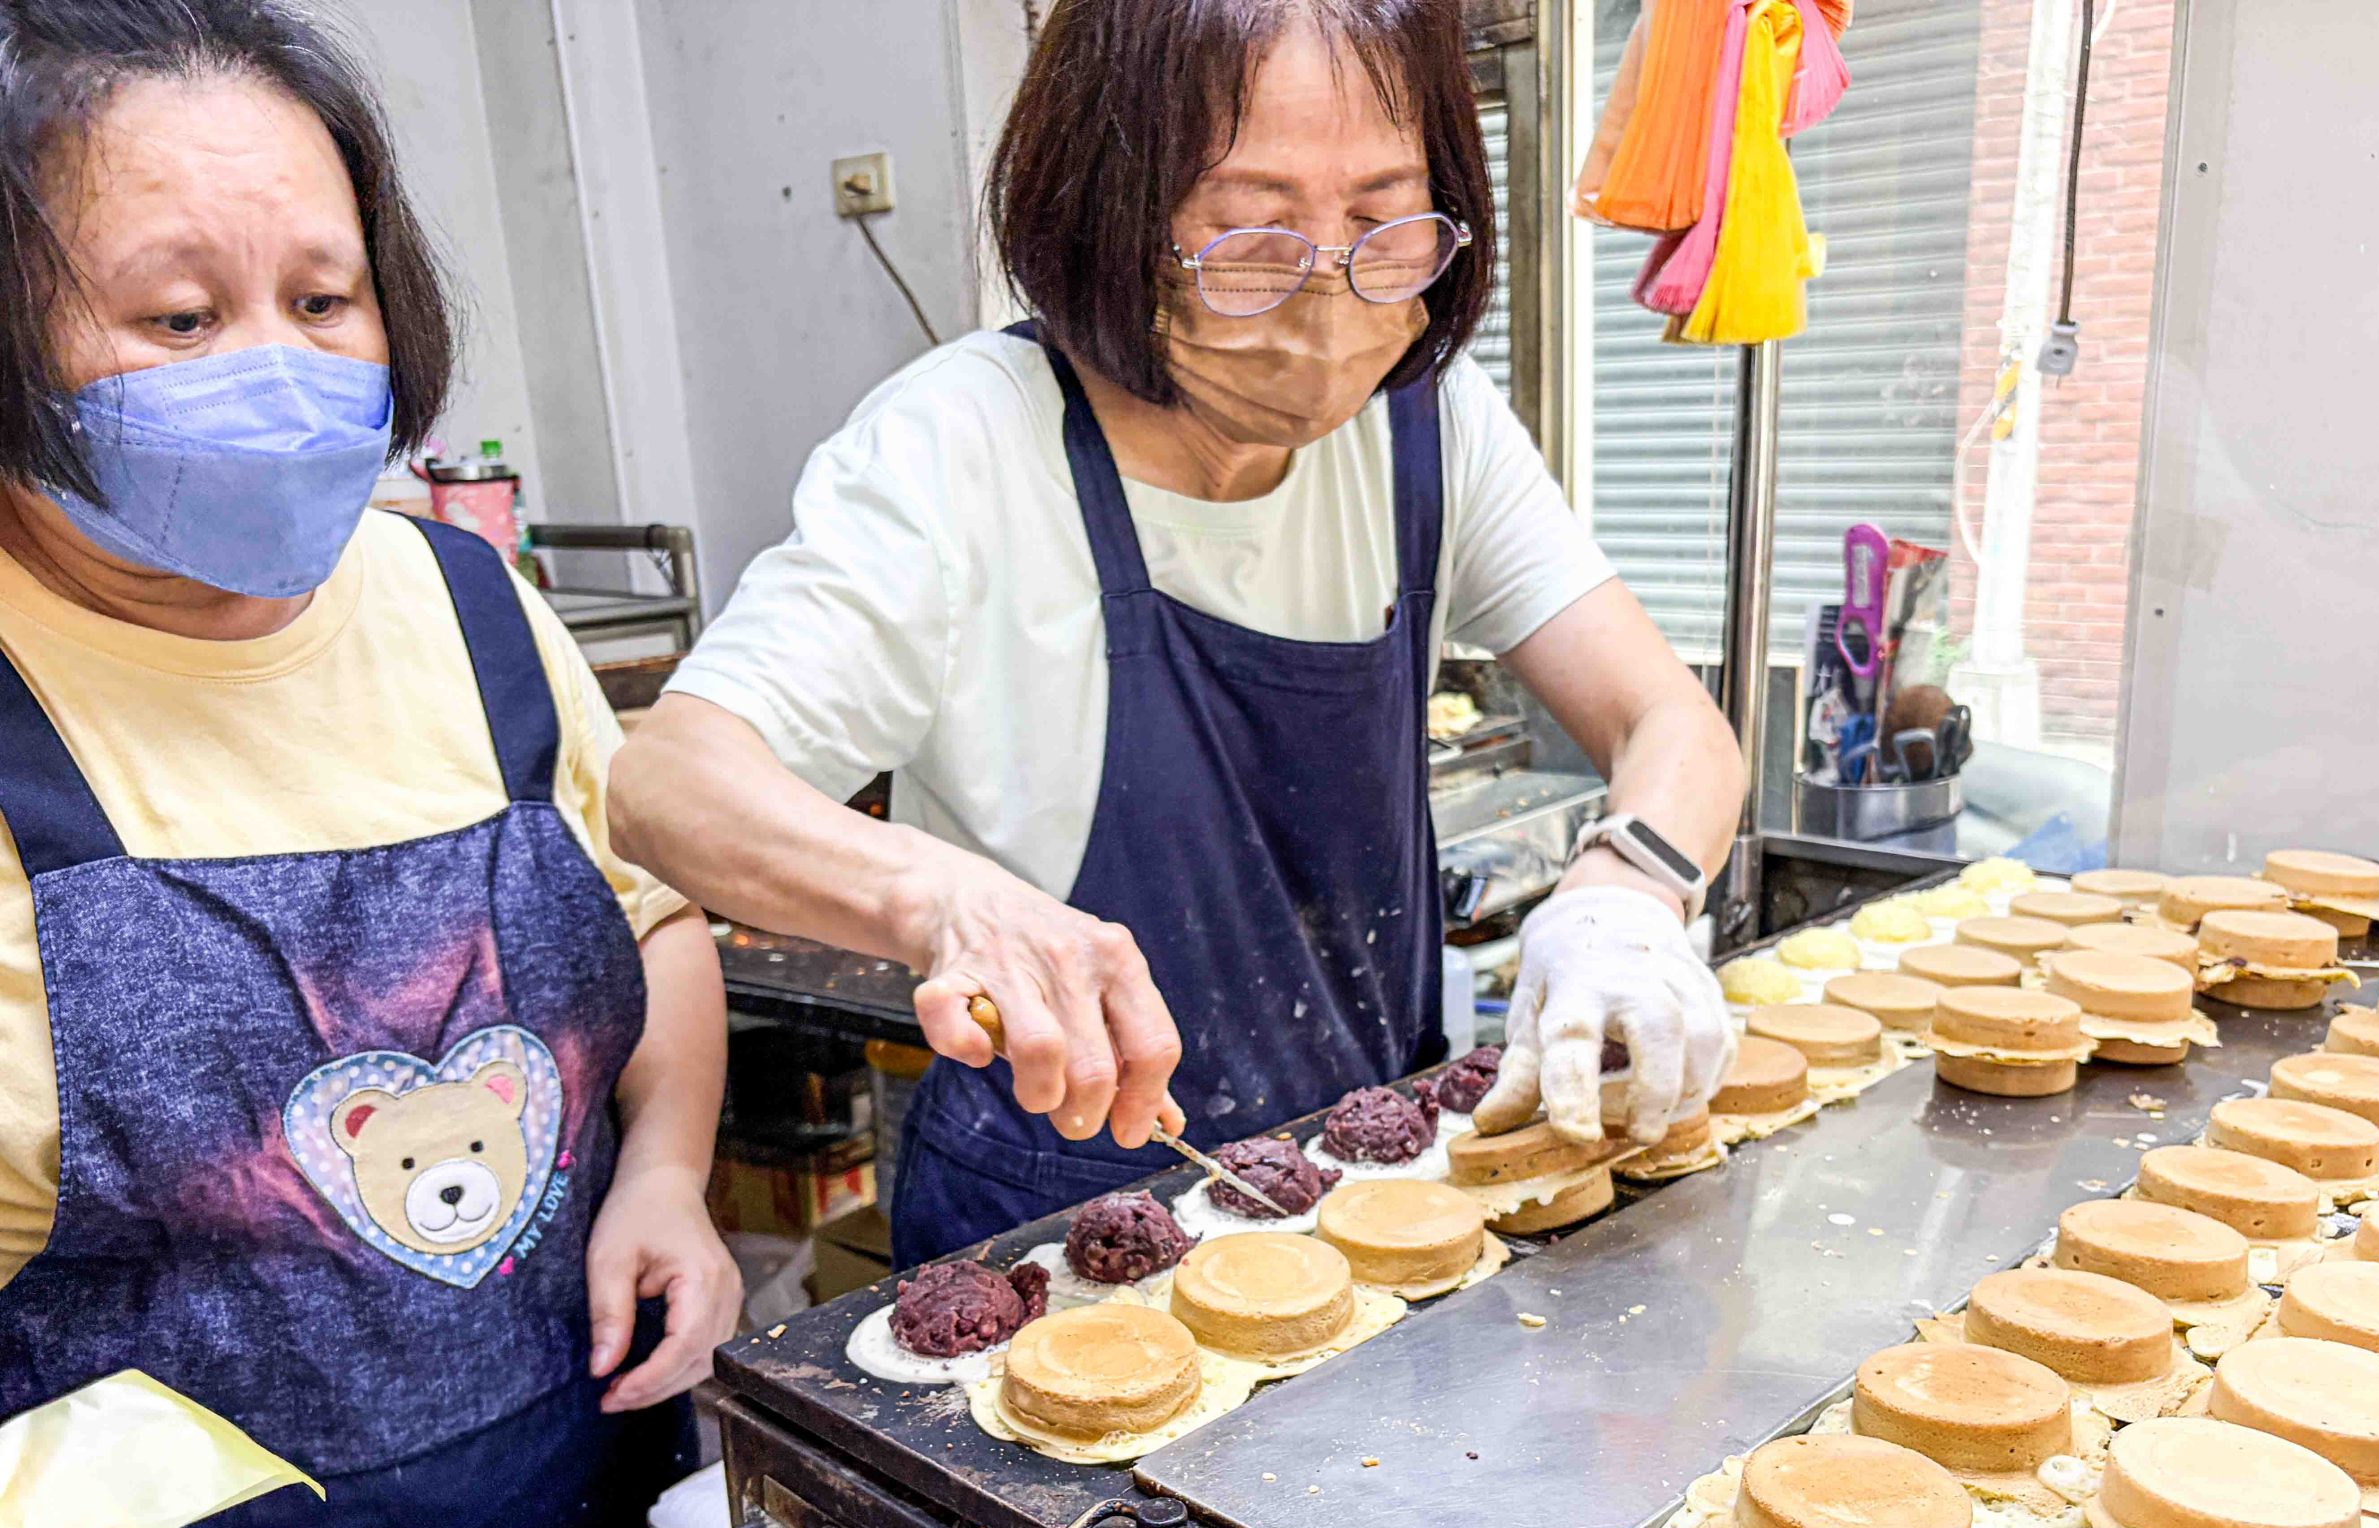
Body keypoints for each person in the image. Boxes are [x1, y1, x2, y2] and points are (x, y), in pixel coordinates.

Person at [612, 0, 1744, 1270]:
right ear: (1107, 211)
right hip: (1058, 1222)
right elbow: (669, 782)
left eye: (1382, 220)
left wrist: (1628, 895)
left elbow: (1674, 728)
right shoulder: (961, 448)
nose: (1327, 297)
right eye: (1252, 233)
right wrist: (947, 904)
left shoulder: (1429, 422)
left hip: (1374, 1182)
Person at [0, 0, 739, 1528]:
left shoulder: (473, 609)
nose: (275, 362)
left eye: (323, 301)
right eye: (178, 314)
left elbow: (663, 923)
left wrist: (668, 1176)